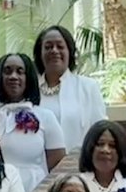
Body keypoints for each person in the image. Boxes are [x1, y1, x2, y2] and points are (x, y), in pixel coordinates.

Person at [0, 52, 67, 192]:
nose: (13, 76)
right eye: (7, 71)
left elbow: (58, 167)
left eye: (20, 72)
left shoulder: (46, 117)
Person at [33, 25, 108, 153]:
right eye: (48, 47)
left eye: (60, 46)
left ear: (70, 52)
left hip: (78, 167)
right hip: (39, 168)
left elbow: (100, 131)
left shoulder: (88, 87)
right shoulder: (30, 89)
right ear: (40, 53)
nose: (54, 51)